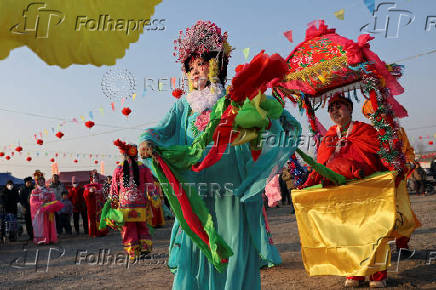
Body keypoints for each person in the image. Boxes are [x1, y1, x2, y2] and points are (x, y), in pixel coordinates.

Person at [138, 20, 299, 289]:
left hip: (232, 190)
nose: (194, 72)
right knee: (199, 246)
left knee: (236, 246)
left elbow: (273, 114)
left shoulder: (234, 98)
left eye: (201, 63)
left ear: (218, 64)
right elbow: (159, 130)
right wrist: (147, 141)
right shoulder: (183, 106)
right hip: (198, 190)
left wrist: (271, 122)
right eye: (190, 67)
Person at [303, 94, 388, 288]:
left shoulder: (364, 130)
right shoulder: (329, 137)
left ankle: (378, 275)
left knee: (373, 231)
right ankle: (354, 273)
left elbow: (381, 154)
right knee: (347, 234)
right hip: (341, 192)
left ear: (350, 109)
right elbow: (322, 164)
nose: (334, 110)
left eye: (339, 106)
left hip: (366, 188)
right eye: (331, 108)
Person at [109, 140, 154, 259]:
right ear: (136, 155)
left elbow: (114, 189)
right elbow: (150, 185)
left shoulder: (118, 168)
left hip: (125, 205)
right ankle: (145, 248)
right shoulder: (143, 167)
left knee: (128, 229)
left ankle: (134, 252)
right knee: (142, 226)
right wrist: (154, 198)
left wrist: (113, 205)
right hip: (140, 203)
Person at [30, 171, 63, 245]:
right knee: (41, 226)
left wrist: (51, 203)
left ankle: (51, 238)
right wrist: (42, 204)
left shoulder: (48, 189)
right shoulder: (34, 191)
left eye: (42, 180)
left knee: (50, 224)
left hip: (49, 210)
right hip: (40, 212)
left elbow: (53, 198)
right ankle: (42, 240)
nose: (41, 182)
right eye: (39, 180)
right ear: (37, 182)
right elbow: (32, 202)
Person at [84, 170, 108, 237]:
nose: (95, 179)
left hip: (100, 207)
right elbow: (85, 196)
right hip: (92, 207)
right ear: (91, 179)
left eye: (96, 178)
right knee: (93, 220)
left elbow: (104, 196)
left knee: (101, 219)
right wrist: (90, 192)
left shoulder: (101, 186)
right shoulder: (88, 187)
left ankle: (102, 232)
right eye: (94, 178)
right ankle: (94, 233)